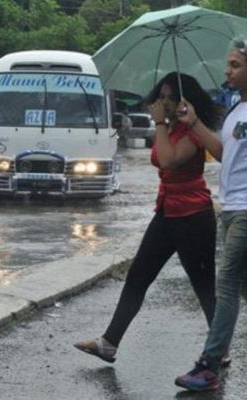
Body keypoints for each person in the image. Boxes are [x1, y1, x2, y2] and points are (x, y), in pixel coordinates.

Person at [74, 72, 224, 368]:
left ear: (185, 100)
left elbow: (168, 160)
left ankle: (221, 348)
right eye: (162, 96)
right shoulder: (171, 129)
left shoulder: (193, 132)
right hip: (167, 211)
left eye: (171, 97)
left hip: (194, 216)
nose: (164, 103)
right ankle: (109, 342)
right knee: (138, 276)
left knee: (204, 286)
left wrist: (159, 124)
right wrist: (163, 126)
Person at [175, 39, 247, 392]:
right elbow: (222, 152)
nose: (227, 71)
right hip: (231, 208)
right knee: (242, 287)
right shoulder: (235, 110)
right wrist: (193, 123)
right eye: (228, 64)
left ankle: (210, 365)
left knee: (228, 282)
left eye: (234, 64)